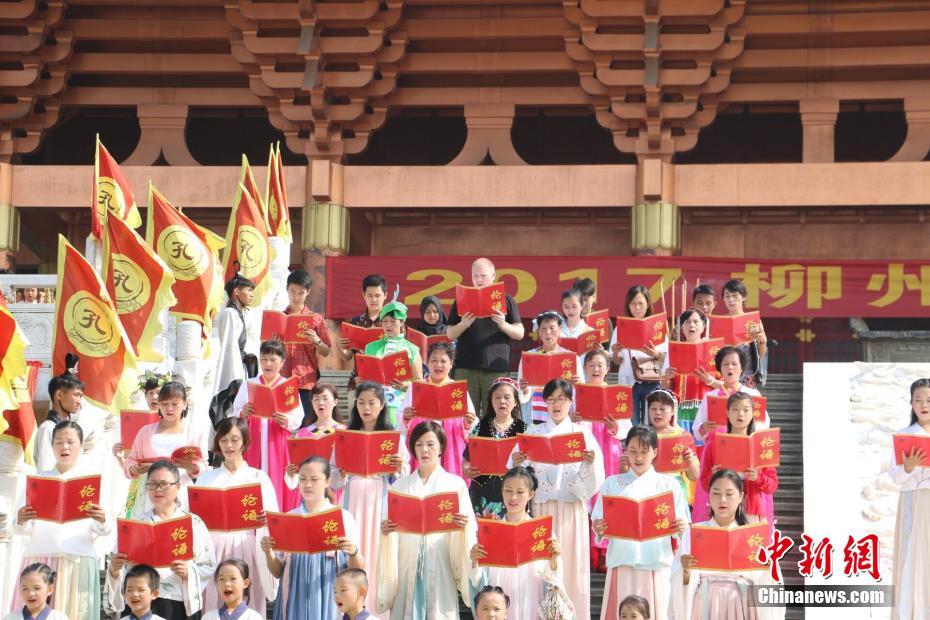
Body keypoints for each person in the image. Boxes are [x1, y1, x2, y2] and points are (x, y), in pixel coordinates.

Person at [512, 379, 604, 619]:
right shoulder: (533, 432)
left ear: (570, 402)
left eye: (561, 399)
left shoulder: (583, 434)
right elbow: (513, 472)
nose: (556, 404)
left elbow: (597, 481)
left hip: (571, 511)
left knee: (572, 570)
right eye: (551, 399)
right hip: (541, 509)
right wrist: (519, 461)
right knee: (538, 570)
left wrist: (591, 462)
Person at [378, 422, 477, 619]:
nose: (424, 450)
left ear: (441, 447)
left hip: (439, 559)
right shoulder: (400, 486)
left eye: (431, 444)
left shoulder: (455, 484)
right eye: (419, 444)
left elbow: (469, 529)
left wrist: (463, 526)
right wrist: (387, 530)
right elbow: (389, 522)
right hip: (407, 560)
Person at [13, 421, 110, 620]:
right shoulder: (39, 480)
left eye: (70, 442)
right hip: (40, 557)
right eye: (58, 442)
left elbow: (106, 529)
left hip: (78, 559)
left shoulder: (92, 483)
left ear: (81, 446)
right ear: (52, 445)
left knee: (75, 614)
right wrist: (21, 519)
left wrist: (102, 520)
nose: (64, 447)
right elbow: (19, 527)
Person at [592, 425, 689, 620]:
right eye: (633, 451)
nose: (638, 457)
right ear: (625, 450)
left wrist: (680, 527)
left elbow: (682, 526)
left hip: (655, 561)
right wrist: (599, 527)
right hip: (622, 559)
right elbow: (598, 519)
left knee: (655, 611)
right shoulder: (613, 483)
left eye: (644, 452)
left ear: (655, 451)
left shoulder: (668, 485)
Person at [106, 461, 216, 620]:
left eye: (164, 484)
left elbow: (208, 564)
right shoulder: (136, 522)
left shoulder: (193, 523)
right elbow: (119, 563)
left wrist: (188, 572)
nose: (158, 489)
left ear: (178, 487)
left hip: (176, 602)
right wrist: (114, 569)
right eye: (152, 484)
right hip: (141, 601)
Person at [672, 469, 784, 620]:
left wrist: (768, 568)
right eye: (716, 493)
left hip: (742, 600)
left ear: (740, 496)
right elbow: (679, 578)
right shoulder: (694, 533)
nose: (722, 499)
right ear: (709, 496)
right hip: (705, 600)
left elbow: (768, 580)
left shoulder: (753, 535)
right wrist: (685, 570)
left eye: (729, 494)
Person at [336, 382, 407, 620]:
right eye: (361, 402)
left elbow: (403, 479)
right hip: (352, 499)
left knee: (378, 556)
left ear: (382, 405)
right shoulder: (346, 436)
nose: (366, 407)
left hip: (380, 501)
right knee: (352, 552)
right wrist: (341, 474)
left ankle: (378, 613)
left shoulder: (393, 438)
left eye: (372, 402)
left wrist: (398, 468)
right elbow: (333, 480)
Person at [261, 456, 363, 620]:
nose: (307, 485)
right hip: (294, 592)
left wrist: (353, 552)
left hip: (329, 592)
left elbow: (356, 569)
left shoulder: (343, 518)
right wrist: (268, 552)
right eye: (302, 479)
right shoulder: (289, 518)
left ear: (328, 481)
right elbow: (278, 571)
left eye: (314, 479)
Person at [195, 418, 278, 614]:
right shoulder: (206, 478)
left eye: (235, 439)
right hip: (213, 547)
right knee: (215, 600)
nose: (229, 446)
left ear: (244, 441)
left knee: (248, 601)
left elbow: (274, 518)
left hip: (247, 544)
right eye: (223, 440)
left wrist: (267, 519)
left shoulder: (258, 477)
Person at [468, 467, 563, 619]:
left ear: (531, 494)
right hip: (499, 598)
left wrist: (554, 560)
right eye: (508, 490)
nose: (513, 497)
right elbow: (479, 581)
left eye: (520, 492)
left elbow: (554, 578)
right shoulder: (490, 530)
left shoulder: (542, 531)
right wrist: (474, 560)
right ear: (502, 491)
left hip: (530, 597)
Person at [232, 339, 303, 510]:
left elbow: (298, 417)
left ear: (282, 362)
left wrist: (286, 420)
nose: (268, 364)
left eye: (273, 360)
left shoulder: (287, 386)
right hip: (253, 441)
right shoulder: (250, 384)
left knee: (277, 480)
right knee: (252, 482)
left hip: (278, 441)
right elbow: (233, 414)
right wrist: (243, 412)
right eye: (264, 359)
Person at [447, 258, 524, 414]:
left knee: (495, 414)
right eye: (476, 276)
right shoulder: (462, 299)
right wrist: (464, 324)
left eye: (483, 275)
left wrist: (503, 324)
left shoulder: (506, 299)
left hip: (495, 368)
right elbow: (450, 333)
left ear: (493, 275)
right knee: (465, 414)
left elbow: (520, 333)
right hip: (466, 368)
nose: (479, 280)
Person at [123, 382, 208, 518]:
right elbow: (131, 460)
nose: (169, 408)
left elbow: (203, 466)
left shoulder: (194, 433)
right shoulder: (145, 431)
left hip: (180, 490)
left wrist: (191, 467)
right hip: (150, 491)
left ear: (185, 404)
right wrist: (135, 469)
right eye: (164, 404)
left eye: (175, 404)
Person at [697, 393, 777, 525]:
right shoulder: (715, 445)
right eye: (735, 409)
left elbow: (772, 485)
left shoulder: (762, 446)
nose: (740, 414)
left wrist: (757, 477)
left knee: (750, 544)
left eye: (746, 410)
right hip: (722, 508)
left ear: (753, 414)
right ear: (727, 413)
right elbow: (704, 483)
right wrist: (713, 475)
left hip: (751, 508)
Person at [401, 342, 476, 476]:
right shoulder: (416, 388)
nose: (438, 365)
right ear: (427, 363)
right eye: (434, 360)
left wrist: (467, 422)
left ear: (451, 364)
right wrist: (406, 417)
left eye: (443, 361)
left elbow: (473, 424)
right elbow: (400, 418)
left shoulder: (457, 390)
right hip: (423, 442)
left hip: (450, 444)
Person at [890, 378, 930, 620]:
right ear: (911, 404)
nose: (924, 404)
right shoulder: (905, 436)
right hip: (913, 502)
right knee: (912, 558)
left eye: (929, 400)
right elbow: (894, 477)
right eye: (918, 400)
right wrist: (908, 467)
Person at [462, 377, 527, 517]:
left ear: (515, 402)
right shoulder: (480, 427)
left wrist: (519, 462)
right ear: (491, 402)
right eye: (497, 397)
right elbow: (467, 457)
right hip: (482, 490)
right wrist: (467, 470)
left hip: (512, 492)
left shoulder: (524, 430)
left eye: (507, 397)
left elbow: (532, 465)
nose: (502, 401)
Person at [609, 285, 668, 426]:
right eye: (633, 304)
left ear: (648, 304)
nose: (637, 308)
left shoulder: (657, 326)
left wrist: (655, 354)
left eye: (640, 303)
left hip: (652, 380)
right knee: (631, 423)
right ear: (628, 305)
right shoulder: (620, 328)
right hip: (629, 381)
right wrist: (616, 352)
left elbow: (666, 359)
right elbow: (615, 363)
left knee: (652, 423)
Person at [362, 297, 423, 428]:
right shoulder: (371, 347)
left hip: (401, 404)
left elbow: (420, 382)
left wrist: (405, 385)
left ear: (401, 322)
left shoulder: (412, 349)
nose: (388, 325)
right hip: (374, 403)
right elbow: (366, 373)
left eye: (393, 321)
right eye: (384, 321)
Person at [661, 309, 720, 437]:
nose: (691, 325)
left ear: (704, 326)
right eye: (687, 322)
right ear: (681, 327)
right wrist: (666, 377)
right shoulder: (673, 351)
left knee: (703, 448)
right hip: (682, 409)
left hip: (706, 407)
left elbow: (726, 385)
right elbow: (665, 386)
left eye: (695, 322)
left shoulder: (714, 351)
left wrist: (710, 380)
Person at [691, 346, 768, 445]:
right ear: (720, 369)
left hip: (743, 446)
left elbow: (763, 425)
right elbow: (697, 430)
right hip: (715, 448)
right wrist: (704, 428)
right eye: (725, 364)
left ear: (742, 369)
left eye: (734, 364)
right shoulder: (709, 396)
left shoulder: (753, 394)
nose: (730, 367)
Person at [281, 269, 332, 419]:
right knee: (284, 424)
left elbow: (326, 351)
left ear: (308, 292)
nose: (296, 297)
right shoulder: (279, 317)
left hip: (306, 380)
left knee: (306, 424)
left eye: (301, 293)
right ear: (287, 289)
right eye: (292, 291)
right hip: (282, 378)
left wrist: (316, 340)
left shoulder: (315, 319)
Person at [517, 311, 583, 423]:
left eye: (552, 328)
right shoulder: (529, 357)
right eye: (543, 328)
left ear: (560, 329)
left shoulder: (571, 358)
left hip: (562, 413)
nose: (548, 332)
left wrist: (577, 384)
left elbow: (580, 390)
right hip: (536, 414)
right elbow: (521, 388)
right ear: (539, 331)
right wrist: (524, 388)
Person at [209, 275, 257, 427]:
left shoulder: (238, 314)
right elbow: (230, 348)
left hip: (239, 368)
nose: (252, 294)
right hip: (232, 372)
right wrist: (235, 379)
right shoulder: (230, 313)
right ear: (236, 291)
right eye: (249, 290)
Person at [643, 389, 699, 505]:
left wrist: (690, 461)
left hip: (675, 491)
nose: (657, 413)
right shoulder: (642, 435)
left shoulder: (683, 436)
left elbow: (694, 476)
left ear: (673, 411)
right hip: (648, 489)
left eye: (662, 409)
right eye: (653, 408)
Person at [339, 274, 387, 391]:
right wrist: (341, 348)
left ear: (385, 296)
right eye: (370, 295)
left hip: (386, 382)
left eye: (377, 295)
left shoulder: (392, 322)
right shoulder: (355, 322)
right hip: (358, 381)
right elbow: (347, 356)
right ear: (363, 295)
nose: (374, 299)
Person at [719, 279, 767, 387]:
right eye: (727, 296)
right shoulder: (718, 322)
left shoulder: (753, 321)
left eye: (735, 295)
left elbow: (761, 354)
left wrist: (763, 340)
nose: (731, 299)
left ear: (743, 297)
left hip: (747, 377)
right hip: (724, 377)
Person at [33, 374, 84, 472]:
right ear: (59, 395)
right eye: (76, 395)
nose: (79, 401)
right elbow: (45, 471)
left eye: (80, 396)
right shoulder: (48, 428)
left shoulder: (72, 429)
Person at [201, 560, 265, 620]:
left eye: (233, 578)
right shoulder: (208, 617)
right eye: (222, 579)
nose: (227, 584)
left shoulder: (254, 617)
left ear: (245, 583)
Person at [3, 563, 68, 620]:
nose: (30, 593)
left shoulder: (60, 618)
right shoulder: (10, 618)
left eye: (37, 588)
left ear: (50, 590)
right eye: (25, 588)